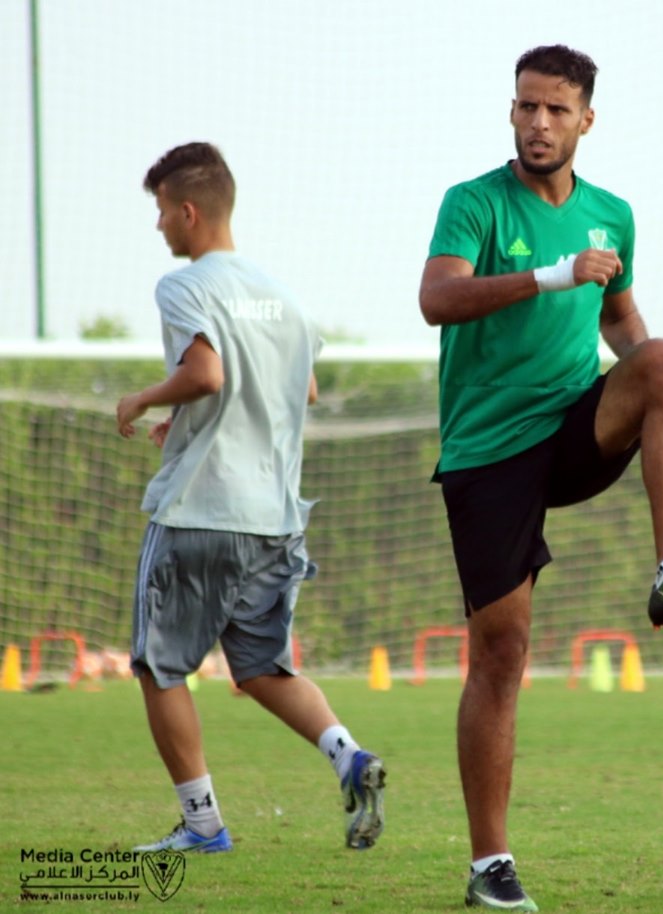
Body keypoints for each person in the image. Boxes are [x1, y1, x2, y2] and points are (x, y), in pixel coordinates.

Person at [418, 46, 663, 911]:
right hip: (489, 452)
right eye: (526, 107)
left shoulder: (612, 215)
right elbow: (437, 299)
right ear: (512, 111)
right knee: (502, 652)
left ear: (585, 121)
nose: (537, 123)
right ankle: (490, 867)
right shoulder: (474, 202)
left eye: (556, 110)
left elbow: (620, 314)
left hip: (572, 427)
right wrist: (552, 274)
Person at [116, 142, 385, 854]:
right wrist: (192, 416)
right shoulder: (283, 298)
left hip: (201, 511)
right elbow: (303, 390)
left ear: (188, 211)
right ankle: (348, 755)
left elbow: (205, 372)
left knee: (159, 665)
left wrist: (147, 397)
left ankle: (202, 824)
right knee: (263, 667)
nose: (159, 229)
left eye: (161, 213)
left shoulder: (183, 287)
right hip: (274, 518)